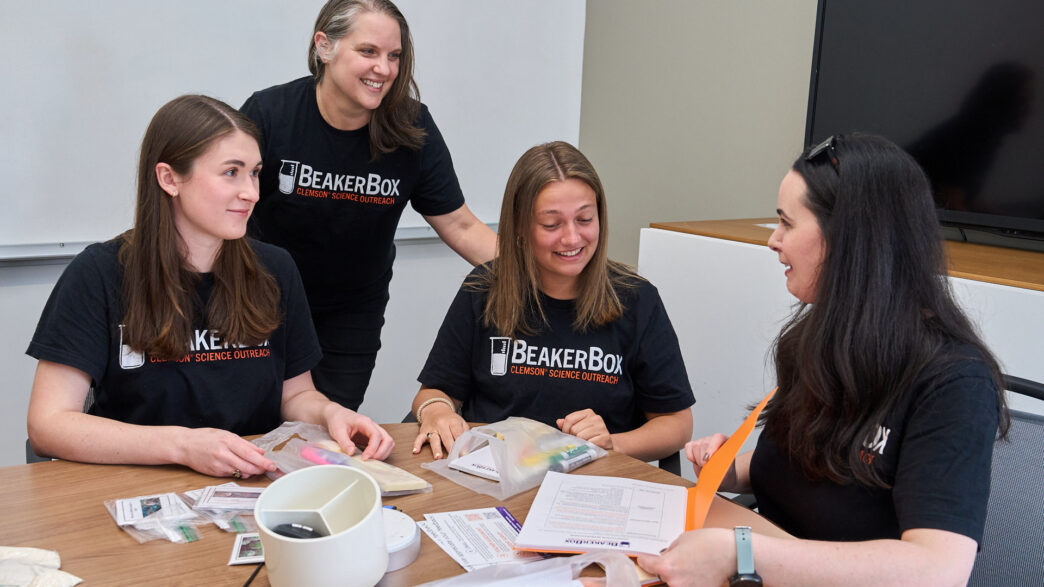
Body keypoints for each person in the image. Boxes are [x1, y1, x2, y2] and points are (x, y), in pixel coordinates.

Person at [637, 134, 1009, 586]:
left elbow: (937, 570)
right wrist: (732, 468)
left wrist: (743, 554)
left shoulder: (953, 382)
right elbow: (812, 470)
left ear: (850, 239)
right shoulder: (817, 339)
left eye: (787, 224)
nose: (773, 241)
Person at [26, 95, 394, 479]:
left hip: (250, 485)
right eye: (231, 172)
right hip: (136, 487)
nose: (251, 192)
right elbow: (48, 424)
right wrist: (184, 445)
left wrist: (331, 412)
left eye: (254, 172)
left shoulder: (276, 268)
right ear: (170, 179)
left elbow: (295, 394)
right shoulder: (99, 273)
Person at [240, 0, 497, 411]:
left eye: (394, 56)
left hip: (351, 314)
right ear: (324, 47)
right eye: (368, 52)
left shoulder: (412, 127)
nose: (385, 68)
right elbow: (225, 208)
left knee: (324, 433)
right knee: (253, 425)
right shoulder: (270, 114)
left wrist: (537, 276)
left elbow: (460, 225)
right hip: (259, 302)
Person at [410, 141, 694, 463]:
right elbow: (435, 391)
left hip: (593, 484)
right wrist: (435, 411)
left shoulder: (636, 299)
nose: (572, 238)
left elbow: (677, 424)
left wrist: (611, 443)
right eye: (551, 224)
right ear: (520, 227)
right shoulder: (483, 289)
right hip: (495, 474)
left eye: (585, 219)